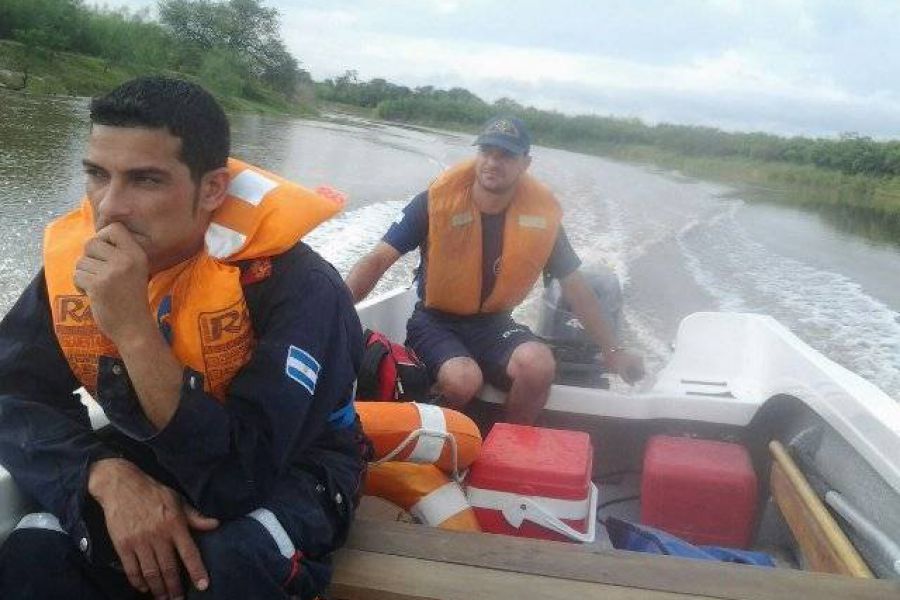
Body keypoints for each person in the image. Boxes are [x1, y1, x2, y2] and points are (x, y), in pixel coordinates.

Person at [0, 77, 366, 599]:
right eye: (97, 175)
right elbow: (14, 389)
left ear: (212, 188)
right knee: (36, 553)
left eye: (145, 180)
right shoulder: (85, 264)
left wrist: (133, 329)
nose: (109, 208)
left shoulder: (301, 288)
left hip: (295, 462)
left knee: (224, 562)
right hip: (146, 449)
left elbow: (237, 481)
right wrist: (102, 473)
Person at [346, 116, 644, 425]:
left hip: (494, 325)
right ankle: (434, 445)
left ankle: (505, 450)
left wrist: (613, 349)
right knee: (463, 379)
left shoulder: (541, 218)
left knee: (539, 364)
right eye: (487, 151)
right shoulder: (434, 203)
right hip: (434, 323)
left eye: (506, 155)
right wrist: (334, 306)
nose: (493, 162)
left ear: (525, 163)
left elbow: (575, 287)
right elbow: (379, 259)